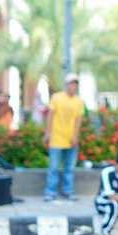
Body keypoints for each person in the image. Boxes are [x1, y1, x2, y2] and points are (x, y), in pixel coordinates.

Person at [43, 74, 84, 202]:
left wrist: (75, 136)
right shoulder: (56, 97)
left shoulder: (79, 101)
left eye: (75, 84)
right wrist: (47, 133)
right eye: (71, 83)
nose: (73, 86)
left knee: (69, 168)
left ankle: (68, 191)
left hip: (71, 140)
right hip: (56, 138)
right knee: (53, 167)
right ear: (66, 84)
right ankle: (50, 192)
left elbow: (78, 120)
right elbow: (50, 116)